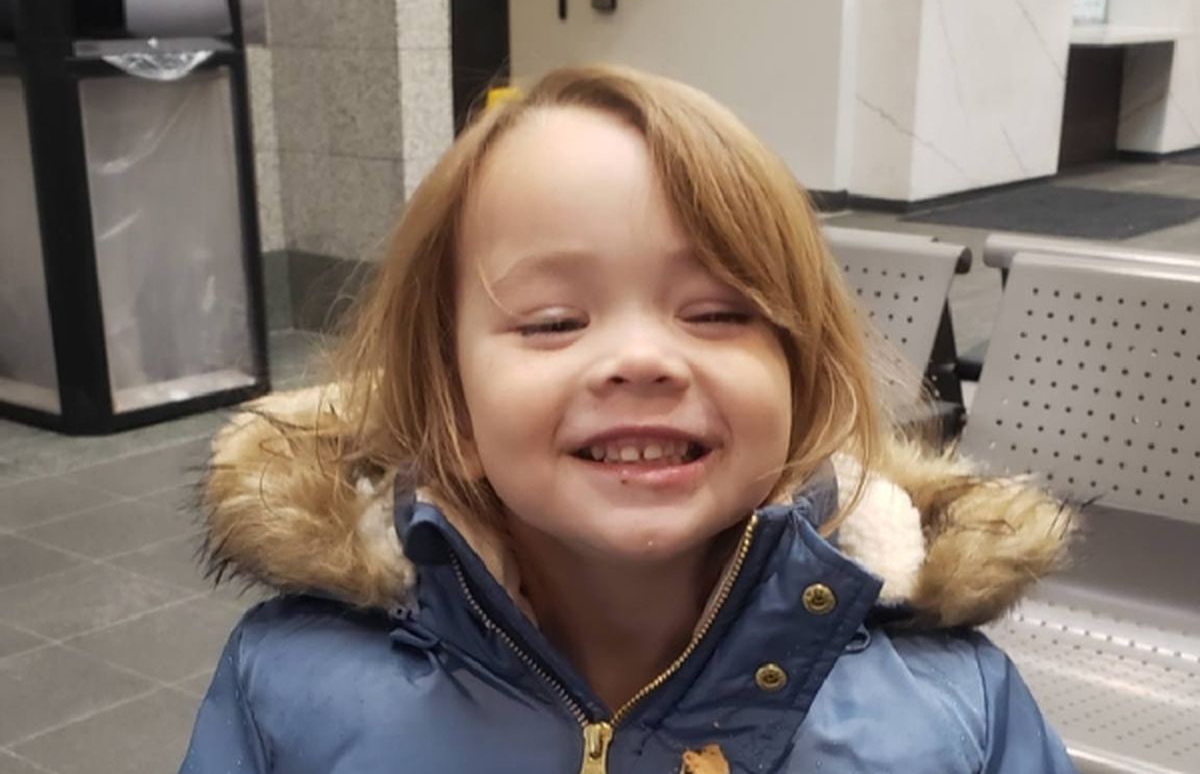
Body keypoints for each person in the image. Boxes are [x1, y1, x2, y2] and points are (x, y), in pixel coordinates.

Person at [180, 65, 1076, 773]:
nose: (642, 358)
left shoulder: (951, 714)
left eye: (717, 312)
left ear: (800, 388)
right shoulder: (290, 695)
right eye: (552, 322)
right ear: (452, 408)